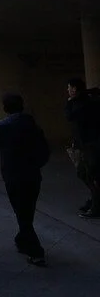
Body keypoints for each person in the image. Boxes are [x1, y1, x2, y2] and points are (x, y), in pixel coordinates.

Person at [0, 93, 48, 265]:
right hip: (33, 175)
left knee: (22, 212)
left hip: (14, 175)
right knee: (27, 210)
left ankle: (35, 251)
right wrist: (35, 165)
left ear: (5, 108)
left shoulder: (3, 126)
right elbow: (45, 151)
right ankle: (22, 239)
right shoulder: (33, 125)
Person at [65, 77, 100, 219]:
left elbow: (69, 116)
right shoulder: (87, 100)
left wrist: (69, 102)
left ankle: (96, 206)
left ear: (74, 89)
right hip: (86, 144)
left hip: (91, 145)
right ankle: (95, 201)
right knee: (84, 173)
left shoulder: (83, 104)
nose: (68, 90)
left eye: (69, 87)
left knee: (91, 175)